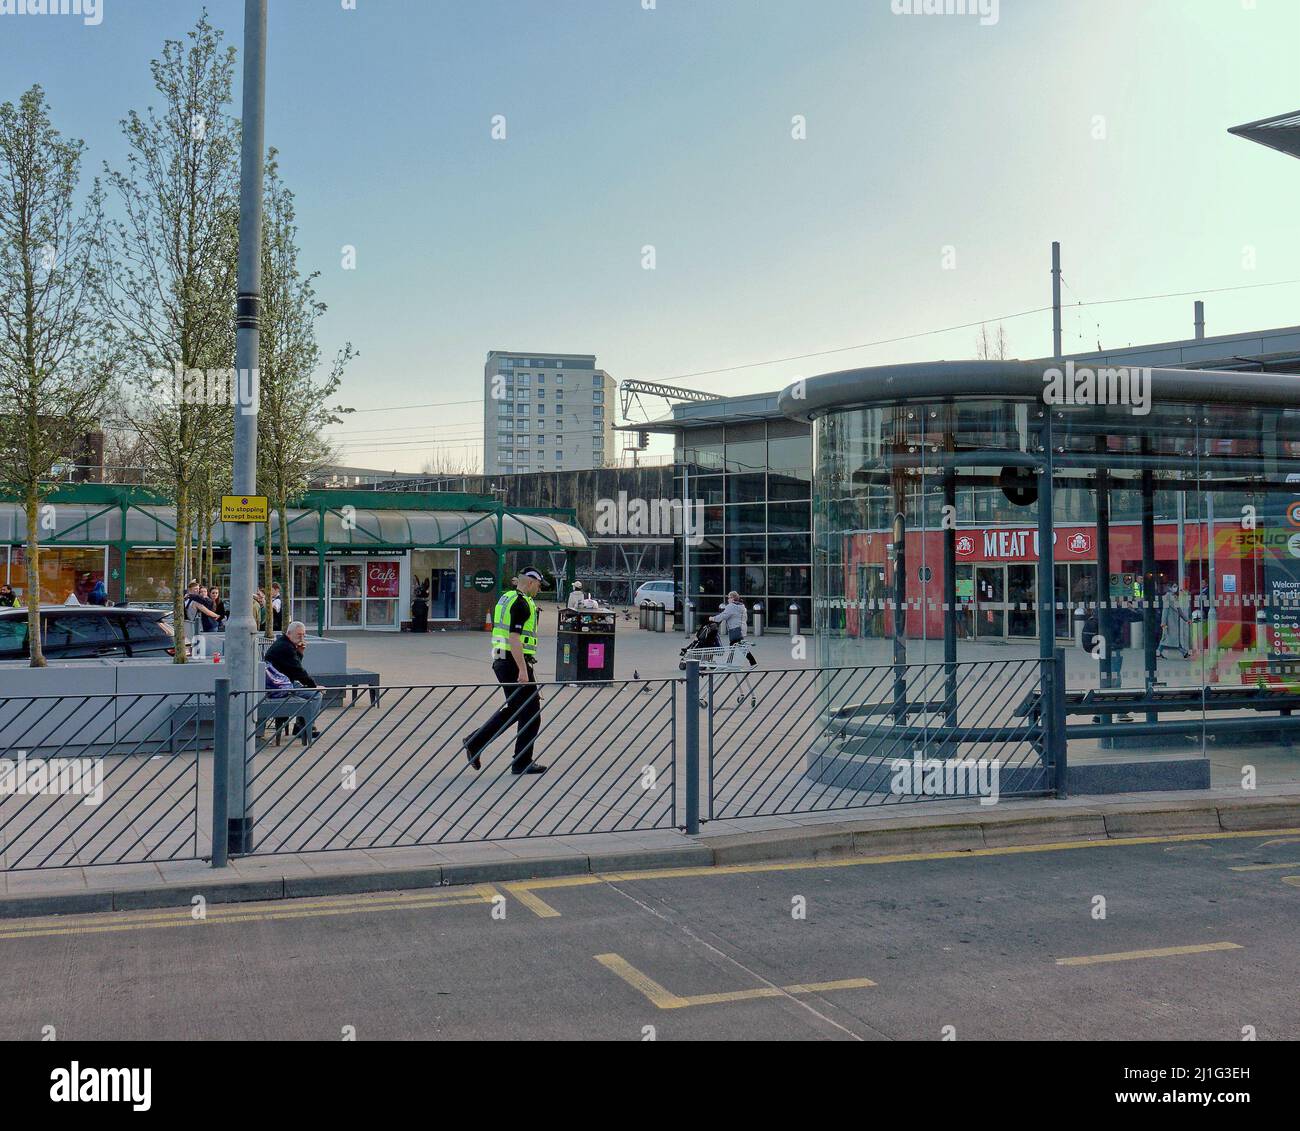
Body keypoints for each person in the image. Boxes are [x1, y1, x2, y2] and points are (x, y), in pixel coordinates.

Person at [462, 567, 547, 775]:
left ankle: (476, 741)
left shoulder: (506, 598)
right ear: (529, 583)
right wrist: (523, 671)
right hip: (513, 662)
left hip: (502, 660)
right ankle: (520, 761)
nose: (539, 590)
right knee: (531, 712)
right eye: (538, 585)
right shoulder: (521, 603)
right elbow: (515, 638)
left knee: (518, 709)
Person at [264, 621, 323, 738]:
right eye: (299, 635)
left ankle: (300, 725)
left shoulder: (284, 643)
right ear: (289, 633)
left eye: (303, 635)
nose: (302, 638)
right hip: (279, 688)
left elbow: (294, 667)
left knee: (307, 690)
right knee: (316, 695)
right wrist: (315, 686)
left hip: (279, 684)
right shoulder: (286, 648)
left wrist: (300, 653)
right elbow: (298, 671)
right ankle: (305, 727)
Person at [711, 590, 757, 667]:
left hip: (735, 629)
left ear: (732, 598)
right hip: (741, 629)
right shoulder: (742, 606)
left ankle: (751, 662)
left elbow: (723, 616)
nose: (728, 599)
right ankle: (752, 662)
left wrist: (713, 618)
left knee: (735, 645)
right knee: (737, 646)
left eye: (729, 598)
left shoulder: (731, 606)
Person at [1158, 581, 1190, 660]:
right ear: (1170, 588)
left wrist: (1186, 619)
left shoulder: (1174, 597)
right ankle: (1184, 653)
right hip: (1169, 622)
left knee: (1169, 639)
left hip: (1174, 622)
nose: (1176, 588)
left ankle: (1158, 652)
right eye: (1174, 586)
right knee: (1167, 638)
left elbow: (1179, 611)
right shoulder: (1167, 597)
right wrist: (1163, 623)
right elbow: (1165, 610)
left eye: (1176, 586)